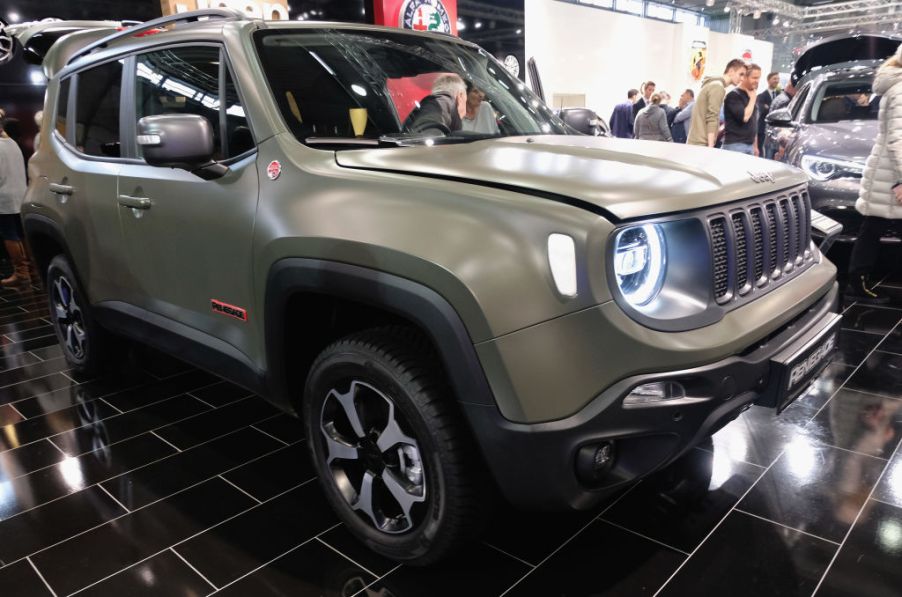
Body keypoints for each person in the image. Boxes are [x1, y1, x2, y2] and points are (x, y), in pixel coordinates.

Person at [844, 44, 902, 303]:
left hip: (888, 172)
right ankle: (858, 283)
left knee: (872, 227)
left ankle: (858, 281)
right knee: (872, 227)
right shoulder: (900, 90)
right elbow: (898, 139)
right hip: (892, 175)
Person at [688, 59, 746, 147]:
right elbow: (712, 117)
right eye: (741, 74)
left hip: (697, 141)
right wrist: (711, 146)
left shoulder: (713, 84)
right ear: (731, 71)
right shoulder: (718, 87)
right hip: (701, 143)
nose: (742, 79)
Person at [0, 114, 30, 287]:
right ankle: (31, 270)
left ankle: (21, 273)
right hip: (20, 193)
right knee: (21, 234)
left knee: (10, 235)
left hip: (4, 197)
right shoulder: (12, 143)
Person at [723, 63, 762, 155]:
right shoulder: (733, 96)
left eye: (758, 78)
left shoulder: (753, 95)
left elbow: (754, 122)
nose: (757, 81)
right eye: (754, 78)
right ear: (745, 77)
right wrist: (752, 99)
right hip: (735, 145)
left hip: (749, 145)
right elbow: (745, 117)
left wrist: (755, 146)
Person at [756, 72, 780, 155]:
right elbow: (763, 110)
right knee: (761, 152)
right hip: (763, 129)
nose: (777, 80)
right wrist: (773, 108)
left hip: (776, 131)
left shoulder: (780, 96)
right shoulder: (761, 96)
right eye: (774, 78)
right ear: (768, 80)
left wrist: (768, 106)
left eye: (778, 79)